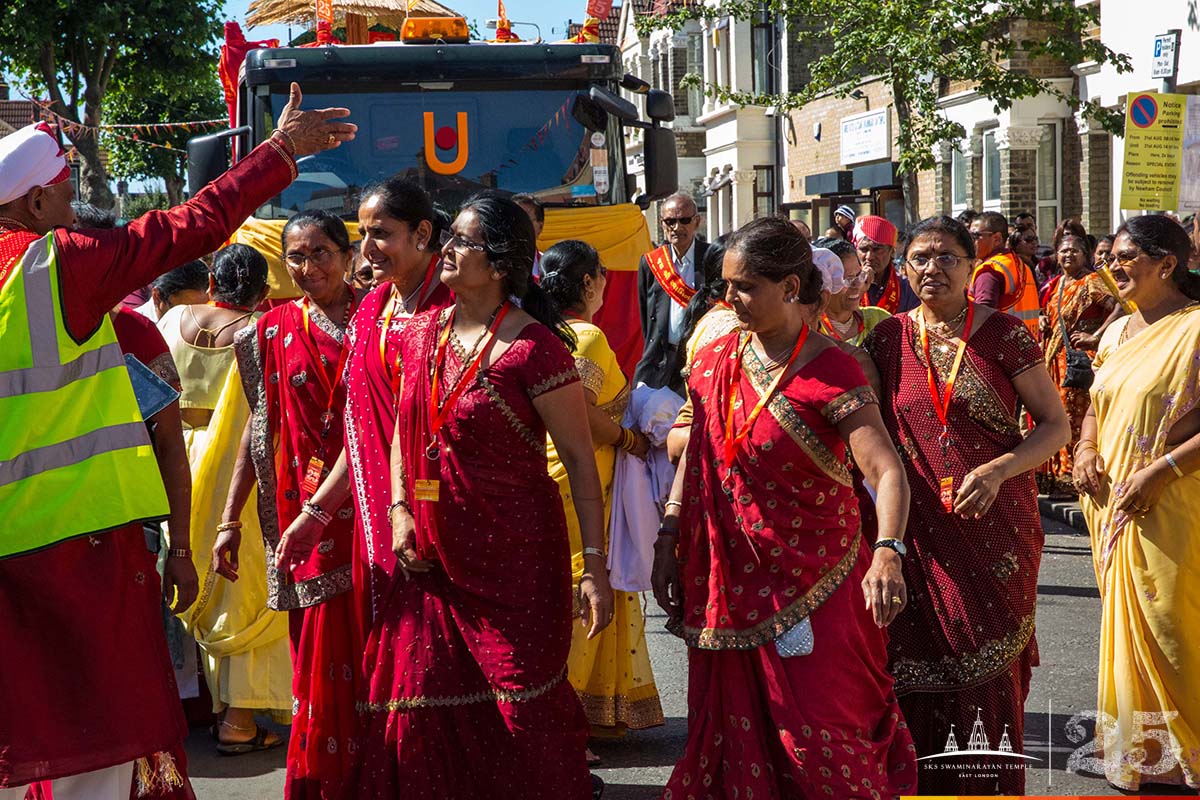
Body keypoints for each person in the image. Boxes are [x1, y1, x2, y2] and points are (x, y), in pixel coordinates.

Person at [0, 86, 352, 799]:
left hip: (24, 547)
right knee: (94, 742)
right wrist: (278, 153)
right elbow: (184, 228)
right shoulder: (53, 263)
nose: (75, 211)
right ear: (35, 205)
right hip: (73, 543)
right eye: (65, 195)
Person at [353, 195, 613, 799]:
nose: (447, 249)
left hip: (516, 559)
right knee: (421, 705)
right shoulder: (419, 335)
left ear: (499, 265)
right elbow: (402, 431)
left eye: (464, 242)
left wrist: (593, 566)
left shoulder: (535, 349)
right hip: (431, 558)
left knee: (521, 711)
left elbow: (578, 459)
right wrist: (398, 511)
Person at [654, 216, 918, 798]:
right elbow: (695, 456)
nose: (729, 299)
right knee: (729, 739)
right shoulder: (715, 359)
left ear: (791, 289)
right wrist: (669, 536)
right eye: (726, 285)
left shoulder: (833, 368)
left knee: (824, 740)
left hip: (818, 582)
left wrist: (888, 553)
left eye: (744, 286)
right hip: (727, 581)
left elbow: (887, 470)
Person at [866, 215, 1069, 794]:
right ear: (904, 269)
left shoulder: (1003, 334)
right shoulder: (887, 339)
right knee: (912, 665)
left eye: (947, 257)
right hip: (918, 528)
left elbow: (1055, 426)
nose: (933, 269)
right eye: (920, 259)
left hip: (996, 525)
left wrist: (1001, 469)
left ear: (970, 266)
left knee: (986, 666)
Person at [212, 211, 362, 794]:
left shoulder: (383, 321)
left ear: (347, 255)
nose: (308, 267)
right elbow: (261, 428)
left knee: (379, 658)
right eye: (296, 257)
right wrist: (230, 521)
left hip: (373, 517)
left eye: (321, 252)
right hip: (305, 528)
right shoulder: (266, 332)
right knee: (318, 660)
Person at [283, 177, 452, 633]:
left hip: (444, 514)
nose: (368, 248)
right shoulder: (374, 306)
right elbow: (360, 433)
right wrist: (315, 514)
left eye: (381, 233)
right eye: (362, 235)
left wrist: (410, 510)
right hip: (376, 513)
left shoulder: (452, 308)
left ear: (422, 233)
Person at [1075, 214, 1200, 793]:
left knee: (1171, 622)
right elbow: (1097, 403)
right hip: (1112, 502)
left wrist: (1159, 471)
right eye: (1113, 257)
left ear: (1167, 264)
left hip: (1169, 501)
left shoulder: (1194, 329)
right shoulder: (1117, 330)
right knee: (1125, 626)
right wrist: (1084, 446)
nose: (1114, 267)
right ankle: (1143, 753)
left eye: (1126, 257)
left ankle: (1189, 754)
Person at [162, 243, 292, 753]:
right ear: (263, 294)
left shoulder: (172, 321)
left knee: (183, 573)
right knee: (243, 590)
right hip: (237, 475)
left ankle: (193, 703)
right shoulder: (261, 334)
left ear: (211, 283)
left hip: (173, 464)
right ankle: (238, 720)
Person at [540, 240, 665, 758]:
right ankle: (561, 723)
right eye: (602, 279)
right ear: (589, 283)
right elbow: (583, 412)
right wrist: (632, 440)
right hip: (580, 479)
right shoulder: (585, 336)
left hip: (566, 475)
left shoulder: (545, 331)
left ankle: (590, 711)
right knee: (582, 592)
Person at [1036, 231, 1116, 497]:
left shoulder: (1093, 281)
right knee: (1054, 414)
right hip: (1054, 360)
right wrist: (1043, 320)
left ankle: (1076, 475)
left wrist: (1097, 335)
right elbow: (1048, 313)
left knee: (1076, 417)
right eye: (1063, 251)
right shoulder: (1056, 284)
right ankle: (1056, 477)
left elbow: (1121, 305)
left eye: (1074, 251)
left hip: (1079, 361)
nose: (1068, 255)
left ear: (1085, 255)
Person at [634, 192, 709, 393]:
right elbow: (645, 315)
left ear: (697, 221)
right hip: (662, 361)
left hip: (702, 359)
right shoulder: (651, 263)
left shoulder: (712, 258)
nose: (677, 227)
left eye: (684, 220)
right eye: (670, 221)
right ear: (662, 223)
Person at [968, 211, 1040, 334]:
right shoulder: (1020, 264)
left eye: (975, 236)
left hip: (999, 349)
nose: (969, 242)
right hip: (1026, 347)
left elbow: (982, 322)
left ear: (996, 239)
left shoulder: (990, 271)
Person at [818, 238, 890, 346]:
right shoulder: (810, 327)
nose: (856, 286)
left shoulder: (880, 320)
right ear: (823, 283)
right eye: (847, 279)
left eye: (859, 275)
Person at [854, 214, 919, 313]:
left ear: (892, 252)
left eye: (877, 249)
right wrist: (858, 290)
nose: (869, 257)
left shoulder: (908, 289)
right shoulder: (846, 285)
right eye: (863, 249)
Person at [140, 260, 211, 322]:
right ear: (157, 297)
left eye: (201, 311)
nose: (194, 322)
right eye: (181, 312)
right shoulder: (134, 330)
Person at [513, 192, 545, 280]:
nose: (518, 226)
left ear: (540, 227)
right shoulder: (495, 266)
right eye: (514, 220)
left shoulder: (549, 265)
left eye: (525, 220)